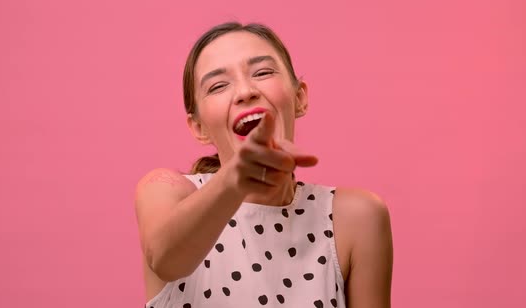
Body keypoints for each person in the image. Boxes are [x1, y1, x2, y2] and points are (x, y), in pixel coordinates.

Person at [134, 22, 393, 308]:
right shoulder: (165, 189)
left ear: (299, 98)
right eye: (218, 85)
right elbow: (165, 260)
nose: (245, 91)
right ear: (199, 128)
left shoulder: (356, 218)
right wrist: (235, 178)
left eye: (263, 72)